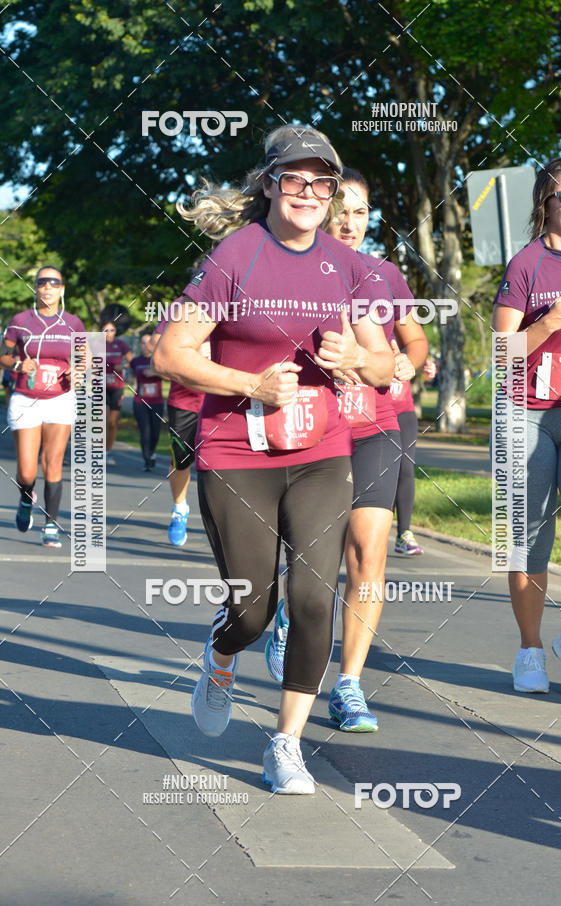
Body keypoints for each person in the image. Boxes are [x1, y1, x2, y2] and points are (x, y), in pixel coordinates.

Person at [152, 125, 394, 793]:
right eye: (296, 179)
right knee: (253, 612)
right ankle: (224, 651)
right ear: (269, 184)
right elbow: (171, 354)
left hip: (321, 451)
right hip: (236, 453)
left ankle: (285, 744)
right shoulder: (236, 256)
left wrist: (360, 361)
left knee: (315, 598)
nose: (310, 193)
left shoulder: (350, 268)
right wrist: (249, 385)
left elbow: (387, 361)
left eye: (323, 182)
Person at [264, 168, 428, 730]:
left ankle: (351, 684)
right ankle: (291, 611)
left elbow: (403, 345)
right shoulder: (292, 269)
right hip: (314, 426)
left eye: (361, 213)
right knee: (312, 558)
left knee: (369, 556)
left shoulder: (381, 275)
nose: (351, 223)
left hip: (376, 424)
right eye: (343, 213)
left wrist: (400, 362)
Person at [491, 157, 561, 692]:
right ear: (546, 203)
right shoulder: (524, 266)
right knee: (529, 539)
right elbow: (501, 352)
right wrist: (550, 323)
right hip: (524, 413)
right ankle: (530, 649)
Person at [0, 265, 86, 547]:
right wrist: (16, 363)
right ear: (35, 288)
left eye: (54, 283)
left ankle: (51, 523)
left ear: (62, 289)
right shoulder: (21, 320)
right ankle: (26, 497)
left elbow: (85, 358)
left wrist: (79, 371)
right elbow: (3, 353)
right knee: (27, 471)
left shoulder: (73, 323)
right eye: (42, 283)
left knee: (53, 463)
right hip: (26, 398)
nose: (48, 287)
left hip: (60, 398)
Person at [149, 318, 205, 545]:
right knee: (181, 459)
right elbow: (155, 347)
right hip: (184, 401)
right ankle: (180, 508)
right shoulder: (180, 309)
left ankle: (220, 517)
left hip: (222, 398)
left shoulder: (232, 306)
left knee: (220, 463)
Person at [392, 354, 436, 556]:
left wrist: (426, 366)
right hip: (370, 412)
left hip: (403, 411)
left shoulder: (404, 328)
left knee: (405, 469)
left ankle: (403, 533)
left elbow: (418, 353)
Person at [130, 330, 165, 471]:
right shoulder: (135, 361)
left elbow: (172, 377)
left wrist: (155, 372)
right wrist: (131, 380)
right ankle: (147, 459)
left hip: (157, 402)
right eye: (143, 343)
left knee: (155, 433)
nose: (146, 346)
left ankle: (152, 452)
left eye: (149, 343)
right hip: (140, 402)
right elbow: (131, 376)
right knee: (145, 431)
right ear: (140, 345)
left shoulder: (159, 360)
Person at [101, 319, 132, 466]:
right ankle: (100, 451)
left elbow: (132, 361)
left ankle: (108, 451)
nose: (108, 333)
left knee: (113, 422)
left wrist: (123, 367)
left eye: (111, 330)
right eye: (105, 330)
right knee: (104, 420)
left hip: (117, 387)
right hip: (100, 387)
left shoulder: (121, 345)